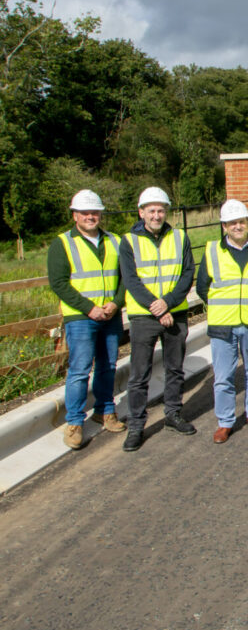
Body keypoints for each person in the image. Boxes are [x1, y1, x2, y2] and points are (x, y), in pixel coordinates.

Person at [118, 186, 197, 452]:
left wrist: (169, 304)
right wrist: (158, 309)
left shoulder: (180, 237)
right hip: (144, 316)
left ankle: (173, 414)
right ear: (141, 212)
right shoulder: (128, 241)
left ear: (166, 212)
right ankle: (137, 425)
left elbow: (188, 274)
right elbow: (130, 280)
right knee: (140, 374)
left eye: (160, 210)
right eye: (151, 210)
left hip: (175, 312)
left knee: (175, 369)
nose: (156, 215)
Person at [47, 189, 127, 450]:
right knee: (80, 370)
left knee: (108, 366)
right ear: (75, 215)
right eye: (85, 213)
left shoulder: (114, 241)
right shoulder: (63, 243)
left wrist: (116, 302)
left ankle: (105, 411)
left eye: (95, 212)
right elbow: (59, 283)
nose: (91, 216)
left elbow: (126, 277)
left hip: (110, 314)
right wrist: (89, 308)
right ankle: (74, 422)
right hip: (81, 317)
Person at [196, 199, 248, 444]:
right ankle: (225, 422)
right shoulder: (211, 250)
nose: (237, 226)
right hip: (222, 324)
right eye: (232, 223)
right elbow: (202, 287)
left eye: (241, 221)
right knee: (224, 376)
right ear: (224, 226)